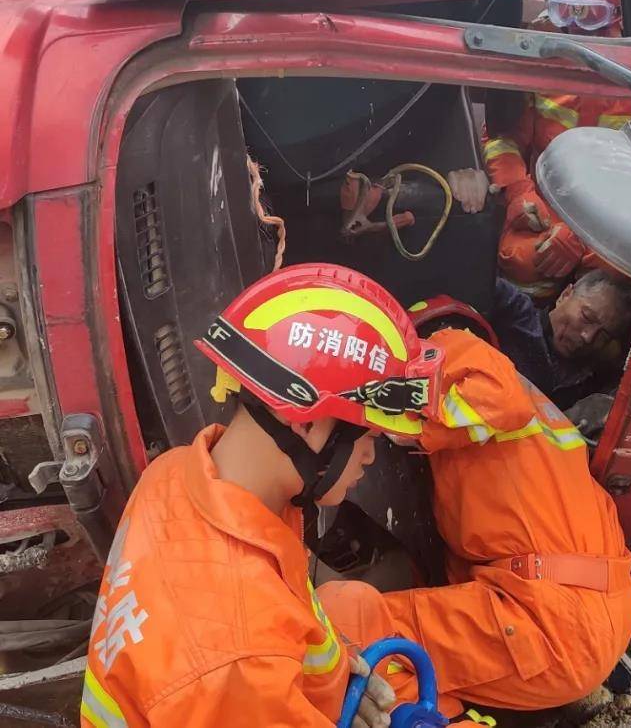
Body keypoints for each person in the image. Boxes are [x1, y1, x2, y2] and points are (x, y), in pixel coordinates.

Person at [81, 264, 445, 728]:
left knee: (358, 604)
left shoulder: (177, 475)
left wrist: (333, 685)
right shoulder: (238, 657)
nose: (372, 456)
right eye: (370, 432)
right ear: (305, 422)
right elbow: (240, 653)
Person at [318, 287, 631, 714]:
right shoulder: (543, 419)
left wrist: (389, 415)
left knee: (351, 628)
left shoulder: (450, 346)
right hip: (606, 613)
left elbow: (496, 401)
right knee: (429, 665)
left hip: (548, 622)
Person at [482, 0, 631, 298]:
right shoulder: (539, 50)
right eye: (568, 12)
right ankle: (528, 326)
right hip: (544, 206)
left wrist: (582, 233)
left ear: (618, 14)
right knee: (521, 259)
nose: (577, 26)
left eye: (590, 14)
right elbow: (502, 137)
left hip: (616, 218)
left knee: (617, 273)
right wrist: (518, 193)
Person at [488, 270, 631, 410]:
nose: (588, 337)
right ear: (565, 295)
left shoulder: (590, 383)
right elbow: (475, 274)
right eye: (587, 317)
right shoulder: (517, 313)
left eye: (603, 336)